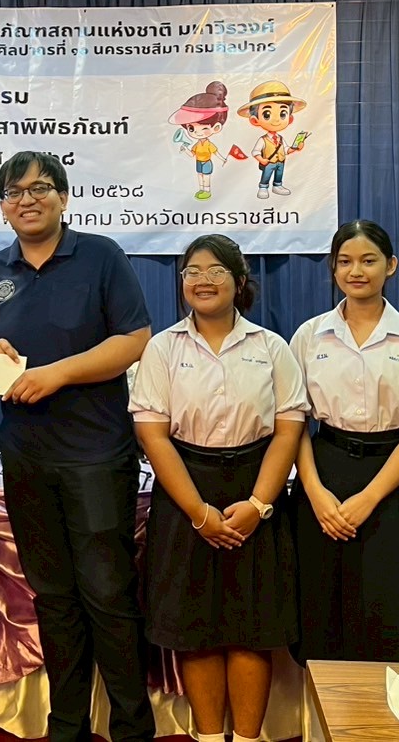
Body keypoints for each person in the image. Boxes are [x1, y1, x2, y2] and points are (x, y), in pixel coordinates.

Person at [0, 151, 154, 742]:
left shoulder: (100, 255)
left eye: (40, 188)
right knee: (52, 597)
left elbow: (134, 339)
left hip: (96, 454)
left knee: (108, 594)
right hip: (24, 454)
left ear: (64, 197)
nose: (26, 200)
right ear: (3, 205)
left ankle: (131, 729)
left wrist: (58, 373)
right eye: (14, 191)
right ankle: (66, 725)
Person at [131, 235, 305, 742]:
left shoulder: (271, 347)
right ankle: (208, 737)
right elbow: (152, 435)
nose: (202, 281)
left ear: (239, 281)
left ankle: (247, 738)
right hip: (185, 488)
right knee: (196, 629)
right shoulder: (163, 347)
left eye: (215, 271)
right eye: (192, 271)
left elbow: (288, 431)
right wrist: (199, 512)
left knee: (253, 629)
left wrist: (259, 504)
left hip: (255, 485)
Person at [290, 219, 399, 663]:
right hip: (323, 472)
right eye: (344, 262)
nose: (355, 271)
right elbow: (294, 423)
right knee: (320, 612)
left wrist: (369, 497)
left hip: (391, 481)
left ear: (391, 266)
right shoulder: (309, 336)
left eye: (368, 260)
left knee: (384, 614)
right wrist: (315, 492)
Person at [169, 81, 230, 200]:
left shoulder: (208, 144)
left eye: (204, 128)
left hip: (206, 162)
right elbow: (193, 154)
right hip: (199, 162)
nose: (196, 132)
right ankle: (201, 189)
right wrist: (185, 149)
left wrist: (223, 159)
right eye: (191, 128)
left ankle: (207, 191)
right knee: (200, 175)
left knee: (206, 176)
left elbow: (215, 153)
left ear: (216, 128)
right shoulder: (197, 145)